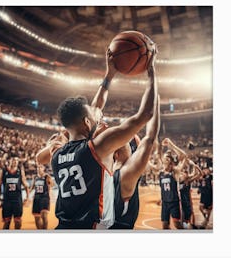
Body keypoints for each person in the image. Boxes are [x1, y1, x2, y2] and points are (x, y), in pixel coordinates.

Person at [44, 41, 157, 229]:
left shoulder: (56, 153)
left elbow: (95, 108)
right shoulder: (96, 147)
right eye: (91, 116)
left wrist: (109, 76)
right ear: (87, 122)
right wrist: (152, 71)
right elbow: (146, 114)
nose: (96, 114)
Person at [109, 94, 160, 229]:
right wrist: (154, 105)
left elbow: (150, 141)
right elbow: (149, 138)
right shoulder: (125, 174)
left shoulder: (112, 168)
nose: (124, 139)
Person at [158, 138, 187, 229]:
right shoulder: (161, 173)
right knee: (164, 225)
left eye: (166, 159)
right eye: (164, 159)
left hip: (174, 202)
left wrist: (171, 144)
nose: (164, 160)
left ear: (170, 162)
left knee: (177, 224)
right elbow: (162, 188)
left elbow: (184, 156)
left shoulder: (175, 172)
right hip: (165, 203)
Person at [0, 157, 29, 229]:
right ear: (9, 161)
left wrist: (27, 197)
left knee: (18, 222)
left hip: (17, 200)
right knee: (6, 222)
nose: (14, 162)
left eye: (16, 161)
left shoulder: (20, 171)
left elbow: (26, 185)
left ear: (18, 163)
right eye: (13, 160)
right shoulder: (4, 170)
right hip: (7, 200)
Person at [178, 159, 202, 229]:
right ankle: (187, 226)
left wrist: (195, 166)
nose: (182, 174)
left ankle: (192, 226)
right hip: (180, 203)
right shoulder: (178, 181)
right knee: (182, 219)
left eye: (184, 173)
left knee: (188, 217)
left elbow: (200, 174)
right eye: (182, 173)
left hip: (187, 202)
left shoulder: (188, 181)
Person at [29, 163, 54, 229]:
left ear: (43, 169)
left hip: (44, 198)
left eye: (40, 167)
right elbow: (32, 187)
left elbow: (51, 186)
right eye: (38, 167)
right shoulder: (35, 177)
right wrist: (27, 196)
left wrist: (51, 195)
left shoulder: (47, 176)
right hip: (36, 198)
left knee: (44, 215)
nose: (39, 169)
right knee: (37, 218)